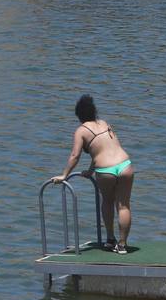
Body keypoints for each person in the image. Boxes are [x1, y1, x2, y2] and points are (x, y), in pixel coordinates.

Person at [51, 95, 135, 254]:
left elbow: (75, 156)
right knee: (124, 205)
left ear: (79, 115)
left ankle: (110, 239)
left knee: (108, 202)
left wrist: (64, 175)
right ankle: (122, 245)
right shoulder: (104, 123)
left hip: (106, 170)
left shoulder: (81, 131)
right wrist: (90, 171)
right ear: (94, 111)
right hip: (125, 165)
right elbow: (107, 149)